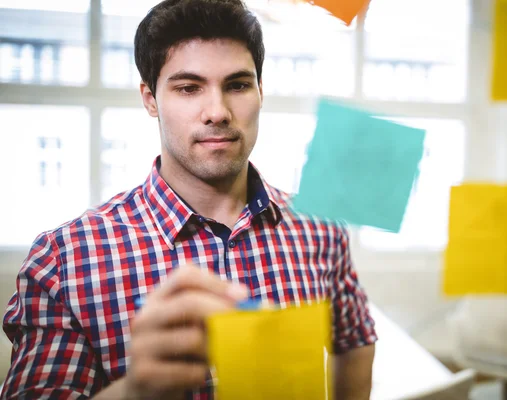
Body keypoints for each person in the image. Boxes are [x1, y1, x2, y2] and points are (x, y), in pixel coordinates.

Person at [1, 0, 377, 398]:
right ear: (150, 99)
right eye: (188, 88)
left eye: (237, 85)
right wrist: (135, 391)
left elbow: (355, 338)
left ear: (260, 91)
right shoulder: (63, 259)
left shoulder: (319, 227)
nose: (217, 111)